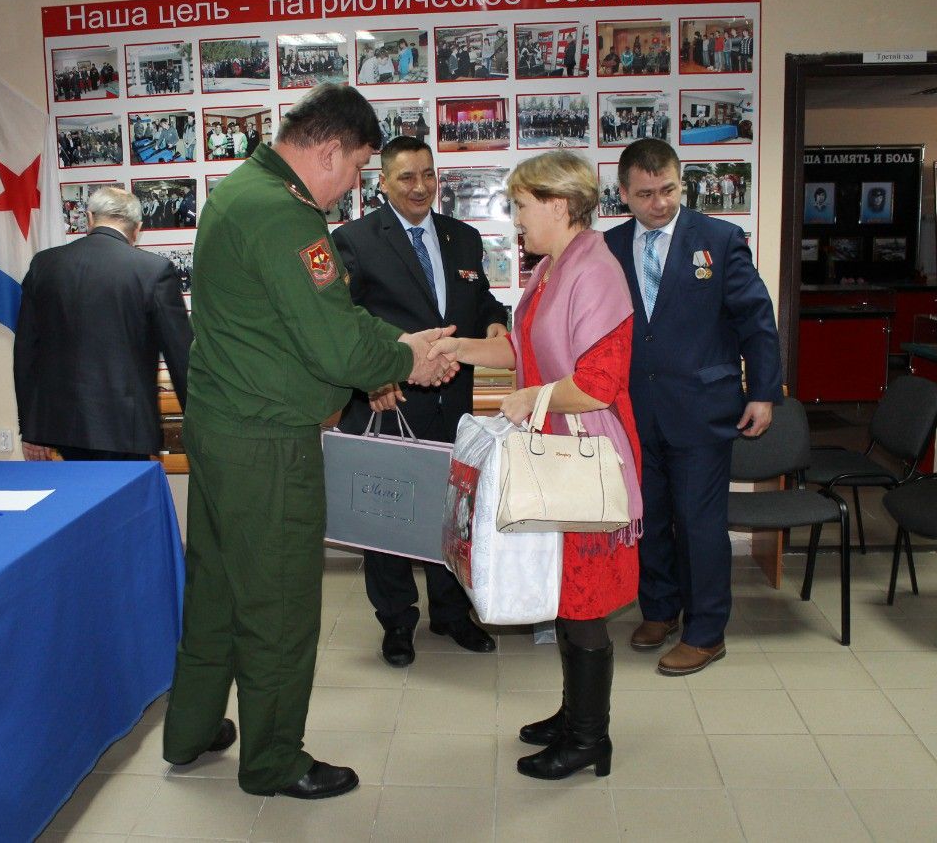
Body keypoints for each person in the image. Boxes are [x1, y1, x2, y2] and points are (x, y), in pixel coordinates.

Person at [162, 84, 459, 801]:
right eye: (356, 167)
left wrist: (385, 348)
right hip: (267, 444)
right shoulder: (282, 214)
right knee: (280, 607)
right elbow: (331, 338)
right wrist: (405, 358)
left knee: (219, 590)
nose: (353, 184)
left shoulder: (242, 190)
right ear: (328, 150)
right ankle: (272, 761)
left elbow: (300, 324)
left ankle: (192, 728)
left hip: (227, 429)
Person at [429, 150, 644, 779]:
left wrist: (532, 397)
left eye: (522, 205)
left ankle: (588, 739)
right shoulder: (554, 266)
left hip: (584, 453)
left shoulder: (595, 272)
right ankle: (574, 712)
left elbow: (600, 384)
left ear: (558, 202)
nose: (516, 219)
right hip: (556, 448)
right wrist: (454, 347)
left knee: (584, 599)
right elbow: (522, 348)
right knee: (567, 591)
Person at [602, 138, 781, 675]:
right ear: (624, 195)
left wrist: (764, 392)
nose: (659, 203)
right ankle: (660, 610)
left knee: (699, 523)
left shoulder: (720, 240)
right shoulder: (609, 247)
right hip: (635, 409)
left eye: (669, 190)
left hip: (703, 409)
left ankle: (707, 632)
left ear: (681, 184)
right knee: (650, 517)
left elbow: (756, 319)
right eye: (646, 194)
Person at [333, 137, 508, 668]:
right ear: (381, 182)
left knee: (451, 514)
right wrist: (372, 378)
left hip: (452, 406)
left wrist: (497, 318)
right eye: (406, 177)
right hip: (391, 401)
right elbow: (342, 323)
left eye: (428, 175)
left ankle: (452, 615)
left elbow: (476, 302)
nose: (420, 187)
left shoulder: (463, 237)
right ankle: (397, 624)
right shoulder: (354, 240)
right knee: (388, 518)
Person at [13, 187, 193, 462]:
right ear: (138, 228)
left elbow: (26, 350)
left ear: (89, 218)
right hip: (126, 430)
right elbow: (181, 357)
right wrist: (197, 423)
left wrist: (31, 429)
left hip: (59, 428)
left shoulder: (44, 264)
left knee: (75, 504)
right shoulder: (153, 271)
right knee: (125, 506)